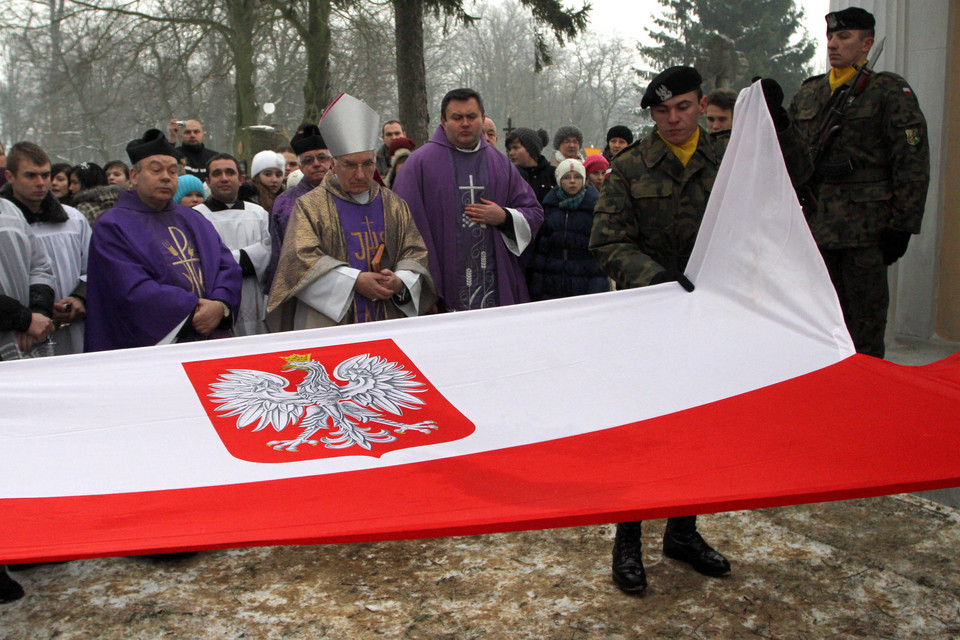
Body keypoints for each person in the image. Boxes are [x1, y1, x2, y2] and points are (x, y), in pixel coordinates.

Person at [589, 65, 806, 594]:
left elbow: (785, 191)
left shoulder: (729, 157)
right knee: (644, 432)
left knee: (702, 429)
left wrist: (779, 123)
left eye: (683, 107)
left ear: (701, 103)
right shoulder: (631, 166)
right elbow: (607, 242)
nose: (674, 119)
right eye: (661, 111)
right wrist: (658, 279)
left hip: (715, 319)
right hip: (652, 319)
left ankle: (683, 532)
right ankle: (629, 541)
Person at [787, 7, 929, 358]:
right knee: (818, 326)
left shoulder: (889, 91)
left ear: (866, 44)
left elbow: (911, 161)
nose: (833, 44)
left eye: (844, 37)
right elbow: (789, 155)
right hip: (816, 228)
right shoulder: (808, 94)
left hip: (866, 231)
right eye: (831, 37)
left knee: (864, 329)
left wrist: (902, 225)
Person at [267, 94, 436, 329]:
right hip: (330, 324)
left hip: (389, 318)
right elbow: (299, 262)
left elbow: (415, 253)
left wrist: (400, 281)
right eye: (350, 165)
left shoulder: (395, 205)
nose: (360, 174)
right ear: (333, 165)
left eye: (367, 164)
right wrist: (354, 281)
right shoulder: (309, 207)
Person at [84, 129, 241, 352]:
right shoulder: (112, 226)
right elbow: (130, 289)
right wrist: (192, 310)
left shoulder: (193, 219)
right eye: (156, 170)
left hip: (209, 339)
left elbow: (227, 266)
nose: (166, 177)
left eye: (172, 171)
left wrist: (220, 305)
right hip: (156, 347)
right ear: (134, 176)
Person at [392, 88, 543, 311]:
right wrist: (425, 290)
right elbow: (401, 227)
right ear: (443, 121)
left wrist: (504, 217)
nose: (465, 123)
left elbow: (534, 212)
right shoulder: (419, 165)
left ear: (482, 119)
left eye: (471, 117)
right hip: (440, 289)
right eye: (457, 117)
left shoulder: (500, 164)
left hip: (494, 292)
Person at [0, 197, 56, 601]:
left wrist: (35, 312)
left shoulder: (8, 209)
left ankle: (21, 541)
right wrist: (21, 318)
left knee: (20, 445)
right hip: (14, 326)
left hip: (19, 340)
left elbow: (39, 263)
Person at [1, 142, 90, 355]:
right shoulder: (9, 219)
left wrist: (80, 296)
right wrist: (26, 319)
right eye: (31, 176)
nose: (41, 183)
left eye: (46, 175)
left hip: (71, 329)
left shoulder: (74, 219)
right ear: (10, 177)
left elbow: (92, 267)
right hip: (15, 334)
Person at [192, 153, 271, 336]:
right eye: (217, 174)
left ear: (241, 179)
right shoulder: (195, 217)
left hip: (255, 294)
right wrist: (242, 259)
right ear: (208, 181)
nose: (224, 178)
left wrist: (228, 260)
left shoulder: (258, 213)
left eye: (230, 172)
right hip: (216, 295)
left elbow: (270, 248)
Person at [526, 159, 607, 301]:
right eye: (566, 177)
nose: (572, 181)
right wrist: (537, 288)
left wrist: (598, 288)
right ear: (559, 180)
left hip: (585, 284)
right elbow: (541, 253)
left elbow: (599, 256)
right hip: (553, 284)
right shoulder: (548, 208)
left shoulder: (596, 208)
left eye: (577, 177)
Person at [266, 125, 333, 292]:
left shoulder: (347, 195)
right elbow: (278, 252)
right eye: (309, 160)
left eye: (322, 158)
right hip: (301, 286)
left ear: (331, 161)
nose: (316, 164)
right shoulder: (283, 204)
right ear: (300, 166)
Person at [505, 127, 555, 204]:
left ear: (531, 149)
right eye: (509, 149)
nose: (511, 153)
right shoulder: (509, 175)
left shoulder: (553, 174)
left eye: (516, 148)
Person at [70, 162, 122, 227]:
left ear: (88, 182)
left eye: (75, 183)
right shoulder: (123, 202)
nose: (70, 188)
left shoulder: (84, 208)